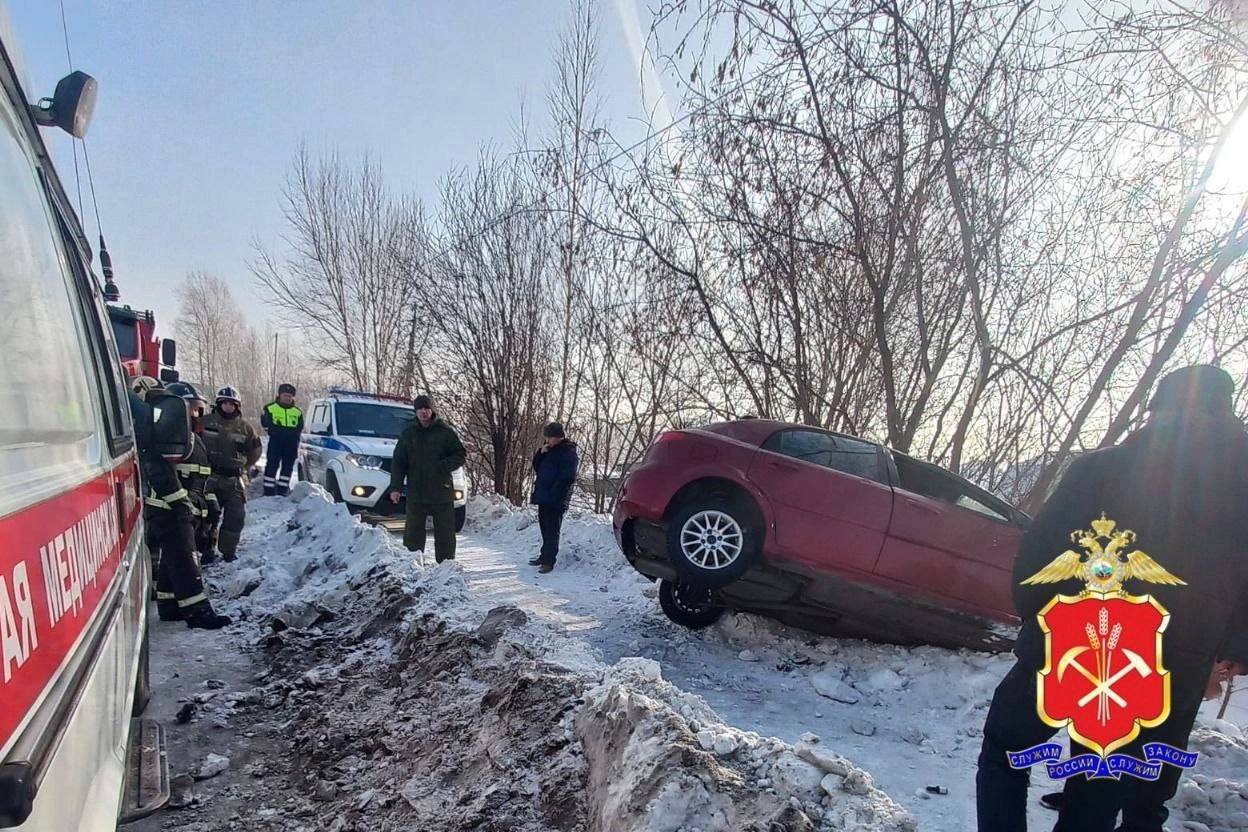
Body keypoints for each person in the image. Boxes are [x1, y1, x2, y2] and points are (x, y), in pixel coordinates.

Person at [976, 365, 1248, 832]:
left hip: (1069, 645)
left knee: (1006, 751)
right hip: (1168, 666)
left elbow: (1038, 559)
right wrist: (1235, 649)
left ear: (1157, 410)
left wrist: (1042, 626)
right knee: (1102, 785)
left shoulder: (1099, 469)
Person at [129, 377, 231, 629]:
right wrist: (180, 503)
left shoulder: (194, 440)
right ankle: (198, 612)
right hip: (168, 508)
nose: (198, 415)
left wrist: (209, 506)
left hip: (183, 508)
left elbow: (201, 477)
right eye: (193, 409)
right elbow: (160, 473)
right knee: (185, 560)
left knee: (173, 558)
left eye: (199, 409)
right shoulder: (165, 436)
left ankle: (169, 604)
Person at [387, 394, 466, 563]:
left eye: (427, 408)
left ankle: (446, 566)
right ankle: (412, 564)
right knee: (413, 533)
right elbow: (399, 461)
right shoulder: (409, 433)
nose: (424, 412)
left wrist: (443, 466)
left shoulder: (444, 432)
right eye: (420, 409)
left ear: (432, 410)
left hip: (441, 490)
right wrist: (396, 488)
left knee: (445, 533)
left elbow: (460, 454)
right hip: (417, 490)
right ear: (415, 411)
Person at [200, 385, 262, 562]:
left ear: (237, 406)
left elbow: (255, 451)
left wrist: (243, 466)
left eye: (232, 404)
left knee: (236, 516)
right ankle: (207, 549)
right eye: (225, 403)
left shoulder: (245, 428)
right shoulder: (204, 423)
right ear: (218, 403)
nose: (228, 407)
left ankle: (228, 550)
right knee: (208, 515)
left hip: (234, 480)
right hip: (209, 478)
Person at [528, 422, 579, 574]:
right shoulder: (549, 450)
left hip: (556, 498)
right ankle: (544, 556)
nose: (547, 440)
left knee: (552, 530)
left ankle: (549, 561)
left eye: (549, 437)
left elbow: (568, 477)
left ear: (558, 437)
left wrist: (555, 491)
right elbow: (538, 468)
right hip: (544, 495)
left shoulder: (568, 452)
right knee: (544, 527)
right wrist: (540, 453)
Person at [261, 383, 304, 496]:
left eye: (290, 396)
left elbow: (299, 427)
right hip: (276, 442)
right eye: (285, 395)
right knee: (272, 466)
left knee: (288, 468)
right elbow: (266, 424)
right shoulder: (270, 408)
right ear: (279, 395)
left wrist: (292, 436)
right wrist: (279, 432)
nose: (287, 398)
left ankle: (282, 490)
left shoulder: (297, 412)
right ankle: (268, 492)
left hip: (291, 444)